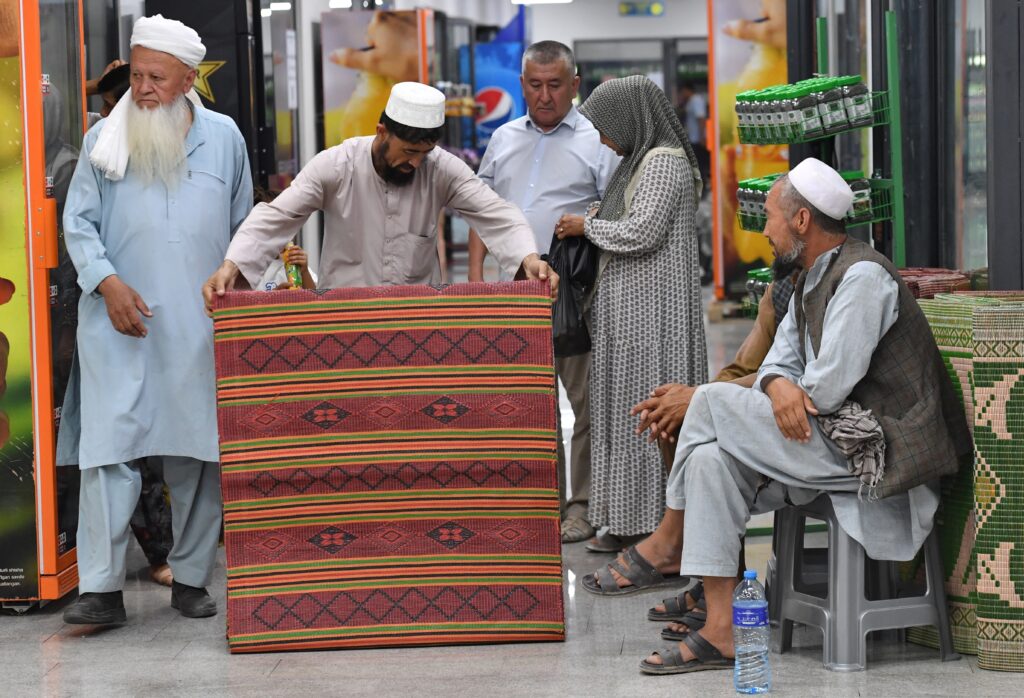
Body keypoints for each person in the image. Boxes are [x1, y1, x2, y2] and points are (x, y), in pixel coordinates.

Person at [637, 158, 971, 675]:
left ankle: (668, 539)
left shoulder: (863, 277)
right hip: (824, 438)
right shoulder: (810, 279)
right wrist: (776, 385)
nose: (764, 230)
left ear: (800, 220)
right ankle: (722, 628)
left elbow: (826, 390)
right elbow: (779, 366)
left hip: (877, 453)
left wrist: (781, 388)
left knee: (709, 401)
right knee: (708, 461)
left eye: (770, 217)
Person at [57, 14, 253, 625]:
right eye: (137, 75)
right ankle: (101, 590)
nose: (142, 89)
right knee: (108, 454)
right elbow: (78, 224)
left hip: (198, 325)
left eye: (156, 78)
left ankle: (191, 579)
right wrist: (107, 282)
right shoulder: (103, 140)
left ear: (188, 79)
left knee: (198, 454)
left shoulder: (224, 138)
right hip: (117, 322)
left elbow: (245, 228)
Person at [203, 81, 556, 303]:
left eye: (424, 153)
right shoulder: (336, 165)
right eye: (409, 151)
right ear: (382, 131)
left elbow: (497, 214)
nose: (416, 163)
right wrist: (231, 266)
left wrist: (529, 259)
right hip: (343, 319)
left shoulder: (440, 168)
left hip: (417, 320)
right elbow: (278, 215)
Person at [467, 41, 619, 544]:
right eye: (535, 85)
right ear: (522, 85)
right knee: (530, 404)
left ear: (575, 84)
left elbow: (614, 211)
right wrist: (476, 276)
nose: (545, 95)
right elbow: (481, 209)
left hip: (574, 294)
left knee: (585, 403)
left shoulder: (597, 140)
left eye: (556, 85)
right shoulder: (503, 138)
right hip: (513, 295)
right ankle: (544, 503)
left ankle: (583, 505)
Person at [554, 75, 707, 549]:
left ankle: (651, 529)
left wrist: (586, 226)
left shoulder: (663, 162)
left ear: (629, 119)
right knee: (624, 418)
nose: (603, 139)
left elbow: (642, 231)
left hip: (652, 320)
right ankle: (625, 521)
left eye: (606, 128)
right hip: (629, 320)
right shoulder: (640, 161)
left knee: (644, 419)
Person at [676, 80, 709, 183]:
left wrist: (702, 137)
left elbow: (701, 119)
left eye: (682, 92)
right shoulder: (690, 101)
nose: (682, 94)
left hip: (697, 139)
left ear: (687, 90)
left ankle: (703, 186)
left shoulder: (696, 100)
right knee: (696, 165)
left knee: (700, 165)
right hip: (693, 138)